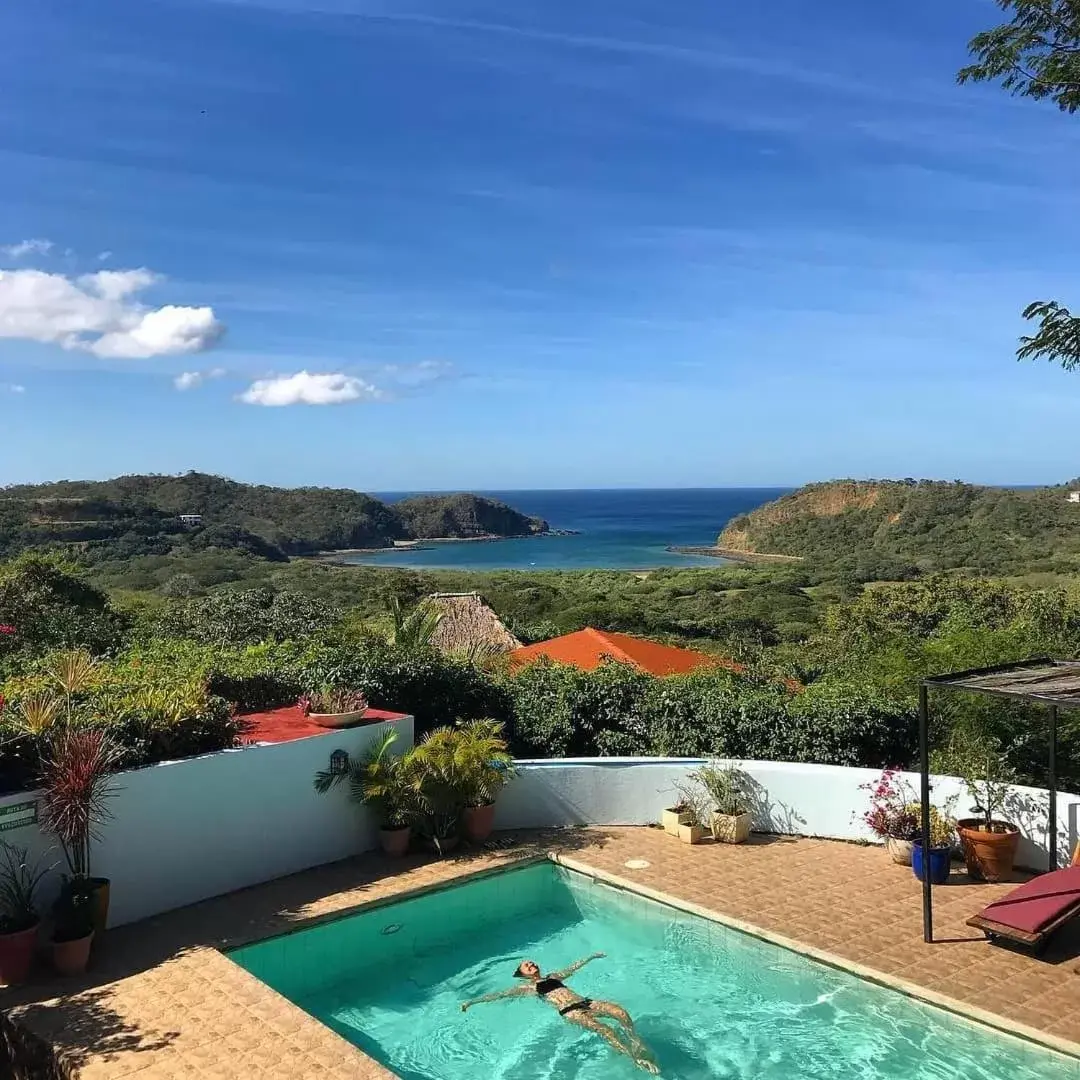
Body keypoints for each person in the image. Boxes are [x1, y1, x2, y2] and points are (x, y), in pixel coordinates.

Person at [460, 952, 659, 1073]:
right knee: (606, 1030)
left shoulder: (554, 976)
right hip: (570, 1012)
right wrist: (472, 1002)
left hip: (585, 1002)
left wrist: (591, 957)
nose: (532, 965)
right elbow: (498, 995)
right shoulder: (527, 988)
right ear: (523, 975)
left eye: (532, 962)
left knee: (620, 1011)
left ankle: (635, 1040)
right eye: (527, 966)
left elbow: (573, 967)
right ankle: (634, 1059)